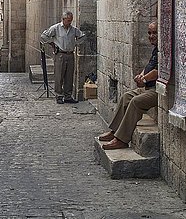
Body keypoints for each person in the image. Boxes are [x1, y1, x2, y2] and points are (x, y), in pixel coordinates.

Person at [98, 21, 159, 150]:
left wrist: (144, 79)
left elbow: (158, 72)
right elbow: (149, 68)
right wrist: (141, 76)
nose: (151, 36)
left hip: (158, 90)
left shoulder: (164, 50)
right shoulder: (156, 49)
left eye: (155, 33)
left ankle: (122, 139)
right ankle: (115, 131)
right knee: (127, 96)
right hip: (148, 87)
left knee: (136, 102)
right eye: (149, 33)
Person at [40, 11, 86, 104]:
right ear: (63, 19)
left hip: (70, 54)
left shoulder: (73, 30)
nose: (69, 22)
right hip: (60, 54)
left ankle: (68, 96)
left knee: (69, 76)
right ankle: (59, 95)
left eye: (71, 21)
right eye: (68, 20)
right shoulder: (56, 28)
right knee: (59, 75)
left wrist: (75, 44)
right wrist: (52, 43)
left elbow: (82, 37)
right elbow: (44, 36)